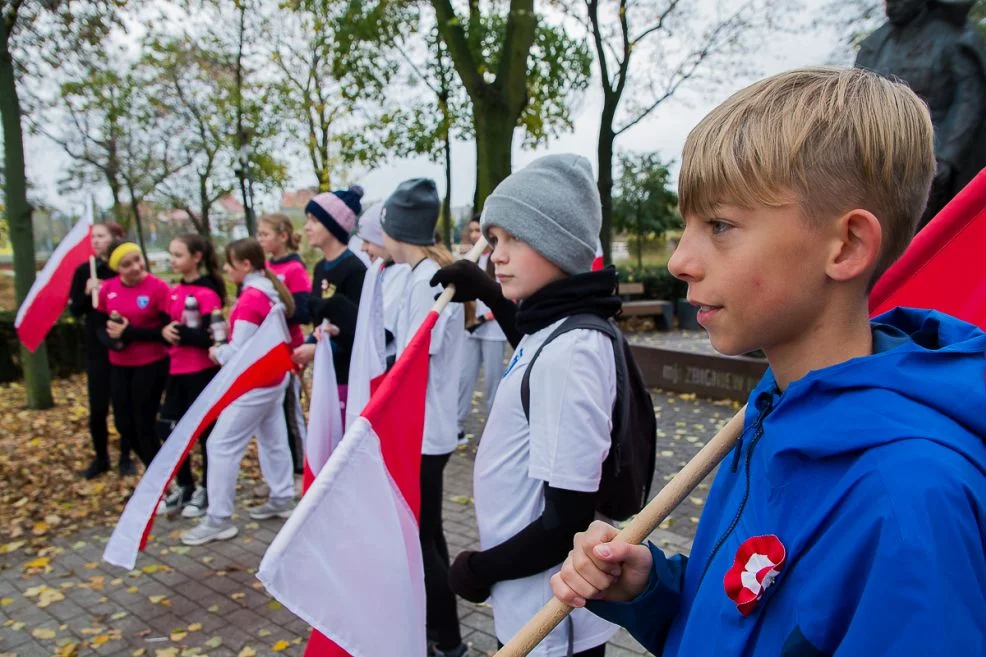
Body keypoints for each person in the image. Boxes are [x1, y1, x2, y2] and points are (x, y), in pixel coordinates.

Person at [549, 67, 986, 655]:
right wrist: (651, 588)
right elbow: (752, 619)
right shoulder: (773, 413)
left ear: (848, 245)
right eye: (687, 225)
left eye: (721, 225)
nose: (680, 260)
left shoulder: (907, 506)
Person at [431, 155, 620, 657]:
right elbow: (532, 344)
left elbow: (567, 522)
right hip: (530, 600)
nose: (497, 255)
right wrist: (489, 294)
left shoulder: (573, 351)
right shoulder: (557, 327)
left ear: (558, 243)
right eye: (494, 240)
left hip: (553, 617)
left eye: (514, 238)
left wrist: (479, 569)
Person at [380, 178, 466, 657]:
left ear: (398, 230)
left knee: (424, 536)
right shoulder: (418, 275)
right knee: (425, 532)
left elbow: (416, 356)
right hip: (423, 427)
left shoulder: (429, 279)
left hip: (425, 431)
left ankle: (447, 639)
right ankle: (437, 631)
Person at [180, 238, 298, 546]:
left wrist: (217, 351)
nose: (227, 271)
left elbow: (240, 353)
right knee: (273, 440)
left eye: (230, 265)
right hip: (274, 379)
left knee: (221, 445)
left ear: (245, 265)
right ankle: (282, 496)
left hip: (255, 383)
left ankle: (218, 518)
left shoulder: (250, 300)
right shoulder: (269, 293)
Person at [156, 234, 226, 517]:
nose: (173, 260)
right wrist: (164, 332)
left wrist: (183, 334)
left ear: (196, 257)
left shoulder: (207, 293)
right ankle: (184, 485)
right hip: (175, 371)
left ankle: (208, 489)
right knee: (167, 428)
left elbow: (212, 337)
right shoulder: (173, 291)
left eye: (178, 255)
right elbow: (164, 325)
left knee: (206, 433)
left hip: (202, 373)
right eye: (171, 255)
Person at [96, 242, 171, 471]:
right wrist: (114, 340)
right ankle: (158, 468)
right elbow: (100, 325)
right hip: (119, 364)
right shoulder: (108, 289)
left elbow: (167, 332)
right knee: (123, 424)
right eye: (126, 264)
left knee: (144, 423)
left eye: (138, 260)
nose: (136, 267)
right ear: (116, 268)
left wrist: (130, 333)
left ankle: (161, 477)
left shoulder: (158, 288)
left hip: (151, 363)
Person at [292, 187, 366, 414]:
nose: (307, 227)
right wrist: (310, 344)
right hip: (325, 373)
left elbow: (358, 332)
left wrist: (319, 350)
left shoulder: (355, 269)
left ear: (333, 225)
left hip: (347, 376)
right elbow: (319, 320)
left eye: (314, 220)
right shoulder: (320, 268)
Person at [69, 220, 129, 478]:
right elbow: (75, 310)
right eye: (94, 237)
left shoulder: (125, 269)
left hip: (122, 346)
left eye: (101, 236)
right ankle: (101, 457)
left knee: (124, 405)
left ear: (116, 238)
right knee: (97, 408)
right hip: (96, 348)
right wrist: (86, 292)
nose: (95, 241)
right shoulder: (85, 271)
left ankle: (127, 455)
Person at [258, 213, 312, 474]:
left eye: (265, 234)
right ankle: (283, 466)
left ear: (283, 236)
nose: (261, 239)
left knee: (291, 410)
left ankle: (302, 463)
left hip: (289, 350)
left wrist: (279, 307)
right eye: (258, 234)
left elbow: (303, 311)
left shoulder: (294, 269)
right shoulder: (264, 268)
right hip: (269, 351)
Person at [455, 216, 507, 447]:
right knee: (465, 378)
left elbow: (508, 296)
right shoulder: (470, 259)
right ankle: (456, 428)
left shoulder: (499, 259)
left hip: (494, 330)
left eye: (480, 231)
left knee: (493, 383)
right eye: (473, 231)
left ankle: (494, 436)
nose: (476, 235)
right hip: (471, 330)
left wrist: (484, 317)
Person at [355, 201, 411, 365]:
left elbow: (382, 332)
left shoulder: (402, 272)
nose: (363, 248)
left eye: (368, 241)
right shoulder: (382, 270)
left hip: (385, 364)